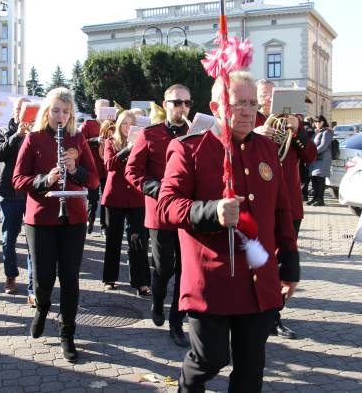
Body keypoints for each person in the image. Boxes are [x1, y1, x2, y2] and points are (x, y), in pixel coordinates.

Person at [157, 71, 300, 392]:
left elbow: (282, 210)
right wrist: (211, 211)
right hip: (211, 281)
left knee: (252, 369)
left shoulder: (266, 150)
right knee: (210, 358)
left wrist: (289, 264)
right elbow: (167, 206)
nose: (249, 111)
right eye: (239, 104)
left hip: (257, 281)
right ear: (216, 106)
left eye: (253, 103)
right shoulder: (189, 149)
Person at [12, 87, 98, 362]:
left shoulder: (78, 138)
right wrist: (44, 180)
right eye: (56, 110)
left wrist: (74, 170)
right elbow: (17, 179)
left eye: (65, 111)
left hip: (73, 217)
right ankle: (43, 305)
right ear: (47, 111)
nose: (60, 116)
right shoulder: (34, 138)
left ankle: (67, 333)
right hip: (41, 218)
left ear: (71, 113)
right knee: (43, 278)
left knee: (70, 278)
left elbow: (94, 180)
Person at [126, 83, 191, 348]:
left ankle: (177, 322)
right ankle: (157, 299)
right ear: (166, 105)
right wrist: (156, 189)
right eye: (177, 102)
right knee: (164, 269)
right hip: (161, 214)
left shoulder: (197, 134)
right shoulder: (150, 134)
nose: (183, 108)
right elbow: (132, 171)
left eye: (187, 103)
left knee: (186, 270)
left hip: (189, 214)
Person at [253, 79, 316, 340]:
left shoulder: (293, 121)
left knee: (284, 261)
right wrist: (257, 135)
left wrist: (298, 131)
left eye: (271, 96)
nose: (268, 101)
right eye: (264, 96)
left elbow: (310, 156)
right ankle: (256, 313)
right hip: (261, 201)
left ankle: (275, 317)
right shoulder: (251, 120)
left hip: (289, 202)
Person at [101, 110, 151, 296]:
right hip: (115, 198)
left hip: (136, 198)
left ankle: (142, 282)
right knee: (113, 239)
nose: (128, 128)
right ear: (119, 125)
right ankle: (109, 278)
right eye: (124, 124)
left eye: (131, 124)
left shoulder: (142, 144)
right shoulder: (110, 143)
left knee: (138, 240)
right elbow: (109, 165)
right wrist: (127, 150)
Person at [0, 98, 35, 303]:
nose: (21, 112)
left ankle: (32, 285)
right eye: (19, 109)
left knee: (32, 240)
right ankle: (10, 276)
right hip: (9, 192)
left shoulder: (37, 133)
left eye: (26, 110)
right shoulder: (2, 131)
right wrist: (17, 135)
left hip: (32, 192)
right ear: (14, 111)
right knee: (9, 238)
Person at [80, 98, 110, 235]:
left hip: (107, 168)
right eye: (101, 109)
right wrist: (95, 141)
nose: (104, 112)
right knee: (93, 198)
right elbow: (81, 142)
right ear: (95, 111)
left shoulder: (113, 126)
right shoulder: (88, 124)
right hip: (94, 167)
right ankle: (90, 220)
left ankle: (104, 226)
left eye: (107, 109)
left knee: (106, 198)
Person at [308, 115, 334, 207]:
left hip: (323, 158)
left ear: (323, 122)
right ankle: (315, 198)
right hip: (315, 158)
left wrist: (312, 152)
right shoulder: (316, 132)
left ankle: (320, 200)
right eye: (315, 122)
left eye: (319, 122)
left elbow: (324, 145)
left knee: (320, 178)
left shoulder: (327, 132)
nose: (317, 123)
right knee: (314, 179)